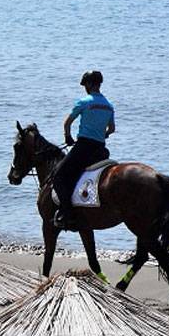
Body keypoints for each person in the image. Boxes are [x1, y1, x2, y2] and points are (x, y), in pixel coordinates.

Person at [52, 71, 115, 229]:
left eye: (86, 85)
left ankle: (67, 214)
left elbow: (67, 123)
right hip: (100, 150)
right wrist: (102, 134)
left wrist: (68, 137)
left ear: (90, 84)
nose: (85, 88)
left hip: (84, 148)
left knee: (59, 176)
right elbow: (112, 129)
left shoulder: (84, 102)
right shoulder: (108, 105)